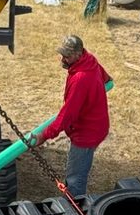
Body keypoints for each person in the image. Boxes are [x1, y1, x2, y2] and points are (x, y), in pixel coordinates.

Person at [37, 34, 112, 198]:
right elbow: (107, 80)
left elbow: (67, 114)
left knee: (75, 178)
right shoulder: (90, 61)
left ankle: (76, 209)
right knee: (80, 167)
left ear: (78, 54)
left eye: (67, 56)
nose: (63, 59)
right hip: (97, 125)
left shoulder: (81, 78)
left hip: (87, 132)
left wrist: (44, 135)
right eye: (62, 54)